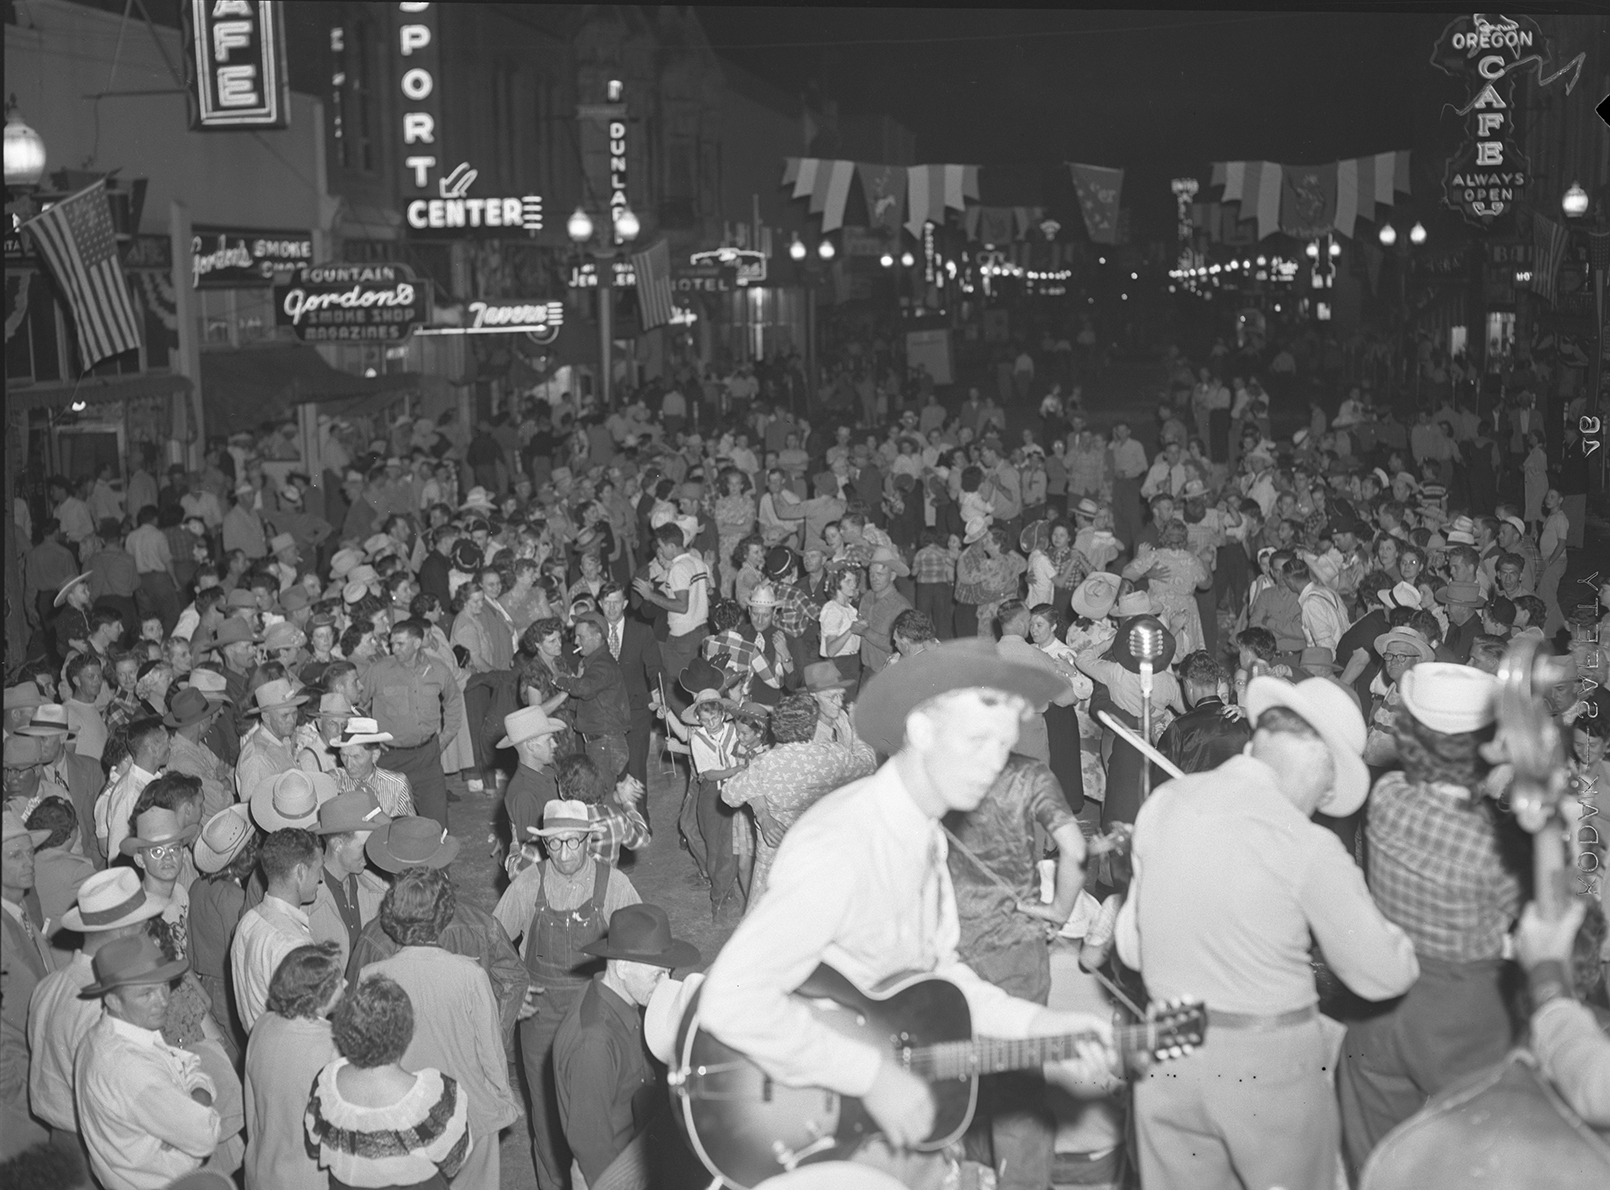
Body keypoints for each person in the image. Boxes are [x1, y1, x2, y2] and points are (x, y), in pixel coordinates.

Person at [699, 640, 1116, 1187]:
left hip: (864, 1124)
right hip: (806, 1121)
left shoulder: (925, 835)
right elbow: (731, 1000)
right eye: (978, 741)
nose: (995, 763)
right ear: (920, 730)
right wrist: (871, 1074)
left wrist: (1041, 1024)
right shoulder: (847, 841)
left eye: (1005, 746)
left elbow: (938, 976)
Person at [1116, 675, 1420, 1190]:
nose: (1325, 798)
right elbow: (1382, 976)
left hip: (1166, 1058)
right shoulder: (1307, 844)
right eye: (1330, 783)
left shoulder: (1164, 805)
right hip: (1266, 1069)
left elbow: (1132, 947)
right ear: (1319, 760)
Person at [1337, 663, 1525, 1179]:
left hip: (1382, 995)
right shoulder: (1494, 842)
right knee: (1474, 1159)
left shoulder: (1386, 797)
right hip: (1464, 1012)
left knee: (1375, 1157)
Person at [945, 743, 1090, 1190]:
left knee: (961, 1076)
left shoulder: (935, 768)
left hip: (950, 946)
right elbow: (1075, 848)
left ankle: (975, 1174)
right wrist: (1060, 910)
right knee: (1020, 1088)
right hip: (1017, 948)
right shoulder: (1029, 774)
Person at [493, 799, 641, 1190]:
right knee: (546, 1117)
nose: (563, 854)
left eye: (572, 843)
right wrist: (510, 988)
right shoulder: (528, 883)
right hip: (541, 1016)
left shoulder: (614, 885)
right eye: (554, 844)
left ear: (589, 841)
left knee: (604, 1112)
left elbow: (640, 951)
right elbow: (491, 943)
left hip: (597, 1016)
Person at [361, 867, 519, 1190]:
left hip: (404, 1113)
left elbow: (367, 1056)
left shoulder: (371, 975)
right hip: (467, 1112)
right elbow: (490, 1052)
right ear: (444, 915)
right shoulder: (470, 975)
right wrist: (503, 1099)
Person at [553, 903, 701, 1189]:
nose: (665, 983)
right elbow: (591, 1145)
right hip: (611, 1171)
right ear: (622, 968)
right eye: (657, 975)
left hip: (636, 1148)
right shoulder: (593, 1042)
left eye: (667, 972)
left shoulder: (622, 999)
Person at [351, 817, 529, 1045]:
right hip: (467, 1058)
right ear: (441, 864)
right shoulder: (481, 921)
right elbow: (514, 978)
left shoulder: (375, 935)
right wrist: (494, 1038)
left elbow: (356, 1006)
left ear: (388, 870)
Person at [27, 868, 166, 1147]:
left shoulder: (48, 986)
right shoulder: (111, 1002)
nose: (147, 937)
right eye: (144, 928)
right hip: (101, 1144)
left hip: (57, 1139)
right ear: (125, 931)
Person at [74, 933, 222, 1189]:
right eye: (147, 993)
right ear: (113, 1000)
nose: (163, 1000)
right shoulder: (130, 1068)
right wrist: (197, 1099)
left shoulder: (107, 1033)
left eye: (164, 985)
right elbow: (207, 1134)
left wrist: (194, 1095)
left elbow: (187, 1063)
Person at [305, 973, 472, 1189]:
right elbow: (455, 1161)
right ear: (406, 1032)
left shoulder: (326, 1085)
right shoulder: (434, 1099)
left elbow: (314, 1147)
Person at [721, 692, 877, 906]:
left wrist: (762, 812)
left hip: (775, 858)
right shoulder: (832, 755)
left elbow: (729, 794)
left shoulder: (765, 763)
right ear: (811, 727)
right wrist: (856, 730)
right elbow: (868, 763)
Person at [243, 942, 342, 1190]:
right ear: (323, 993)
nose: (346, 985)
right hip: (308, 1179)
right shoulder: (333, 1044)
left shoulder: (263, 1025)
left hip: (260, 1172)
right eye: (340, 981)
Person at [359, 618, 465, 828]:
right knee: (389, 823)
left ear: (417, 643)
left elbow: (453, 701)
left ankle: (436, 862)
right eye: (392, 643)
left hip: (427, 757)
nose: (393, 648)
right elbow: (356, 704)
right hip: (390, 758)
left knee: (437, 823)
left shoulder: (438, 669)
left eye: (400, 643)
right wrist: (370, 738)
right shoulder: (379, 670)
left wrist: (445, 737)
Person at [230, 826, 321, 1033]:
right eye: (318, 869)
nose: (321, 878)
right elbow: (307, 1025)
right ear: (300, 872)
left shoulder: (248, 920)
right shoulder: (294, 944)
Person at [308, 792, 391, 972]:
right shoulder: (306, 901)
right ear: (337, 845)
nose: (370, 854)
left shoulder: (378, 887)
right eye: (363, 847)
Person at [551, 613, 632, 784]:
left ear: (597, 637)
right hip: (602, 743)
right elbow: (583, 702)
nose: (576, 642)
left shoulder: (603, 665)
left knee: (602, 796)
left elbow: (584, 688)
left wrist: (560, 679)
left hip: (605, 744)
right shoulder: (594, 664)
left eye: (580, 637)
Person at [1154, 650, 1251, 776]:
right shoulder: (1244, 722)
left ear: (1188, 685)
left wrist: (1160, 746)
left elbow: (1163, 781)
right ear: (1217, 685)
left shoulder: (1180, 728)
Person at [234, 679, 306, 800]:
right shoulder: (258, 757)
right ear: (266, 717)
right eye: (285, 716)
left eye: (294, 713)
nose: (292, 721)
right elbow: (252, 808)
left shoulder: (283, 739)